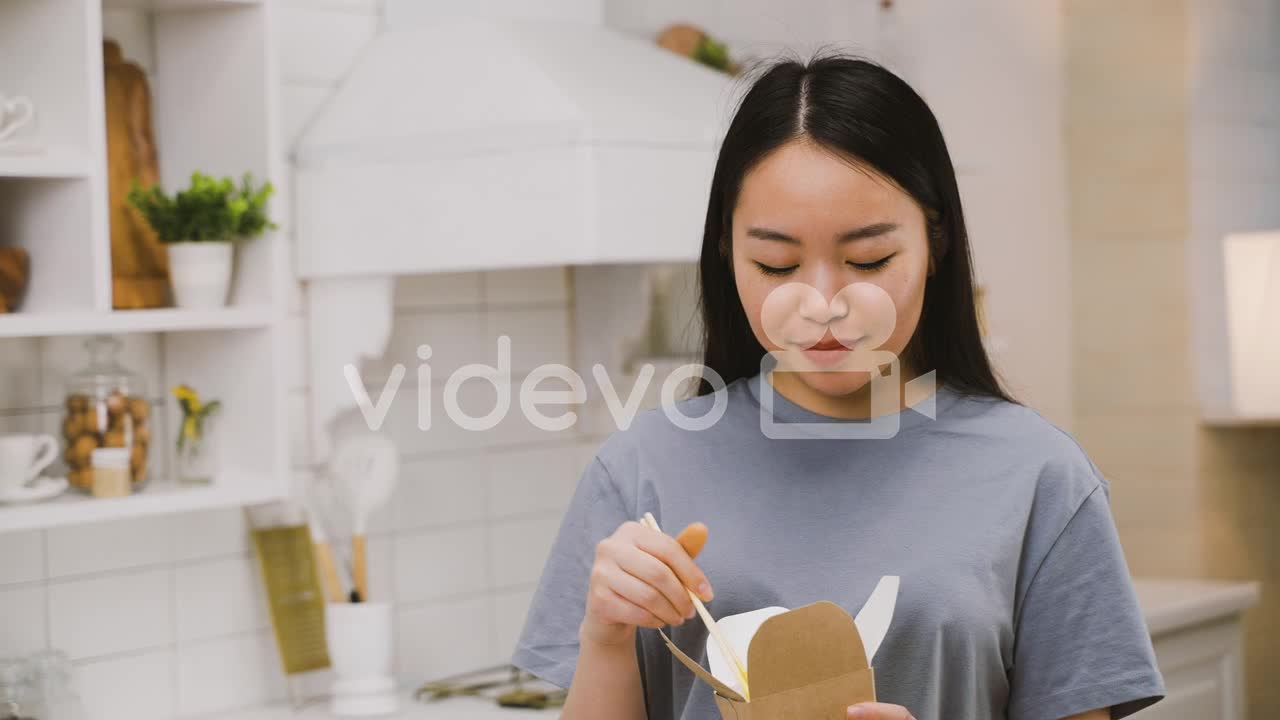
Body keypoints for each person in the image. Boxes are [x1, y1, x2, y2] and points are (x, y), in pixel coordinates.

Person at [512, 55, 1165, 720]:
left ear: (935, 241)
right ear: (726, 253)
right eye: (776, 263)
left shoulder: (1040, 478)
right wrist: (606, 636)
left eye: (869, 260)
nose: (822, 302)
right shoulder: (640, 469)